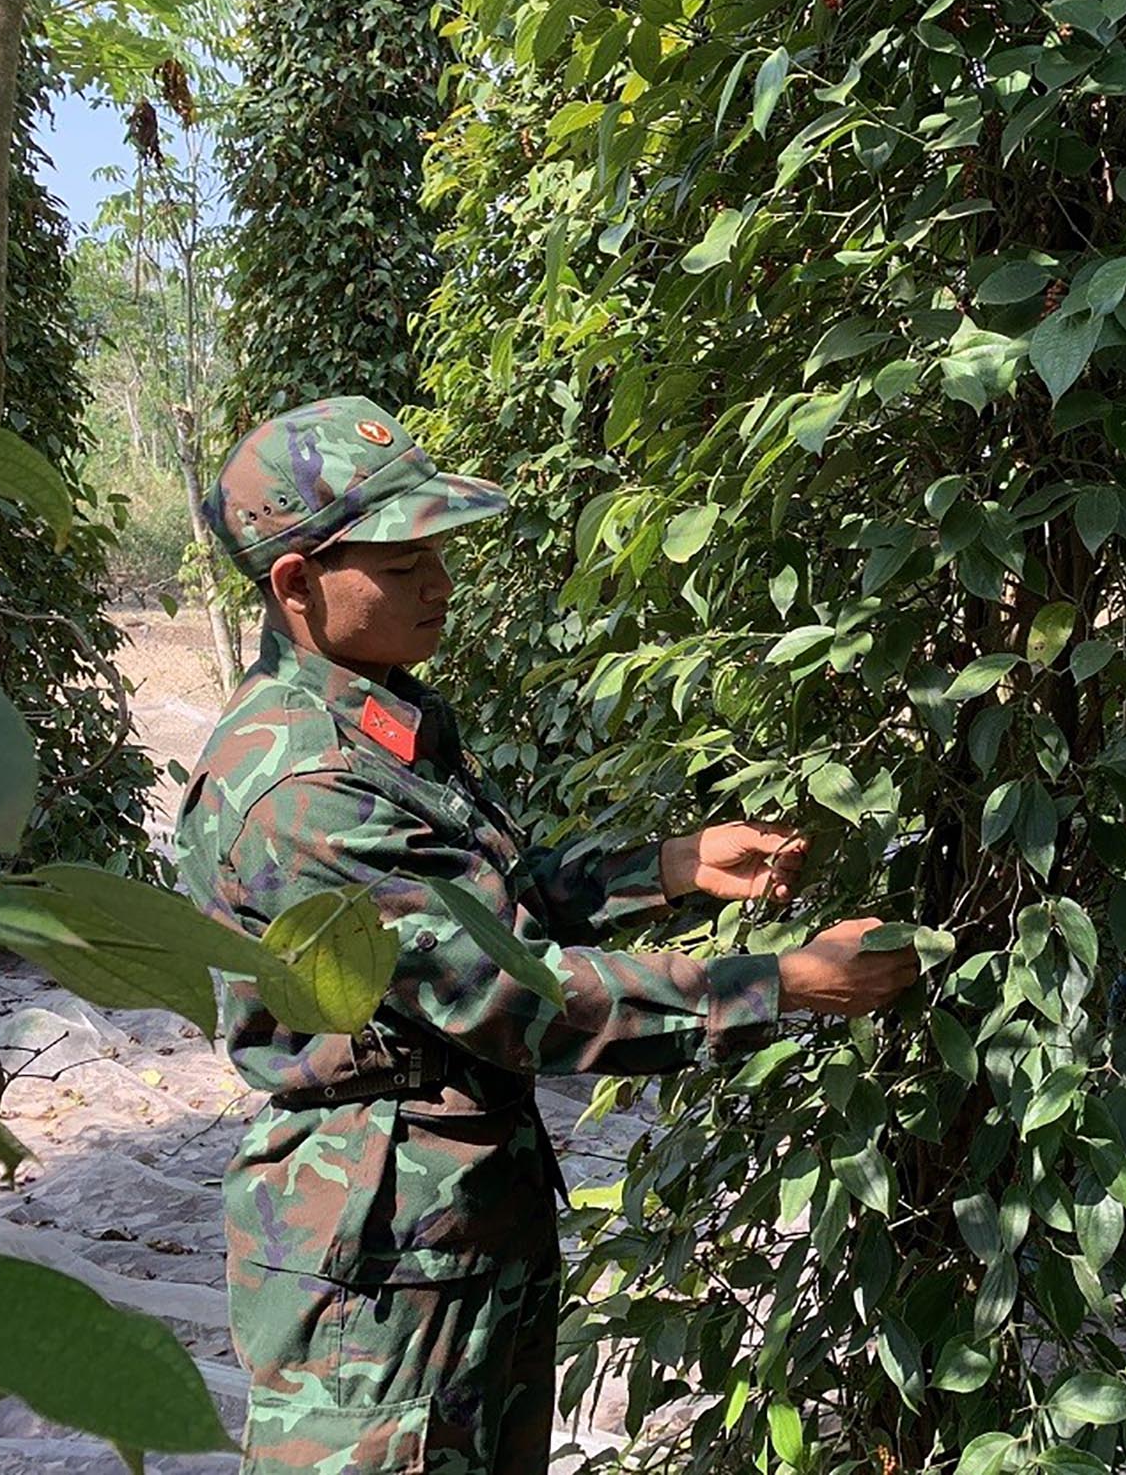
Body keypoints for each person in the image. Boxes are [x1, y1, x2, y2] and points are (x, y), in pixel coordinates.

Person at [176, 397, 919, 1475]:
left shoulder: (379, 717)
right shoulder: (302, 786)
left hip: (459, 1225)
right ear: (295, 585)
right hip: (378, 1263)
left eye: (436, 550)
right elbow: (510, 993)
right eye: (400, 562)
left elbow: (483, 898)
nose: (438, 581)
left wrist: (664, 869)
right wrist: (789, 984)